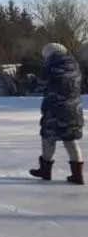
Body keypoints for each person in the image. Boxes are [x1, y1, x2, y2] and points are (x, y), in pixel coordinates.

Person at [30, 43, 84, 185]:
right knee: (70, 139)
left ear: (49, 55)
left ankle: (45, 170)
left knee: (48, 137)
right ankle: (77, 175)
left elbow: (40, 86)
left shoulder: (50, 67)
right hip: (74, 109)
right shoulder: (75, 65)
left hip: (55, 109)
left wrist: (33, 80)